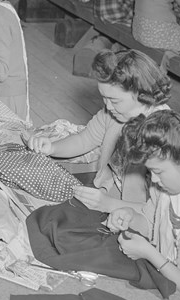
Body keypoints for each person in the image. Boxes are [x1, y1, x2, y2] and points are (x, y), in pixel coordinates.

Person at [27, 49, 171, 211]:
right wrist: (52, 147)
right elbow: (85, 139)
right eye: (104, 98)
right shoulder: (114, 112)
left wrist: (109, 204)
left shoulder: (163, 134)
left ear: (141, 93)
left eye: (114, 100)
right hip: (113, 188)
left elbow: (159, 213)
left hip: (142, 210)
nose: (108, 106)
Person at [106, 110, 180, 300]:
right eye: (150, 172)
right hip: (170, 288)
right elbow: (150, 222)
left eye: (158, 172)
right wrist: (129, 217)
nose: (153, 180)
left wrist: (152, 255)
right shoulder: (166, 188)